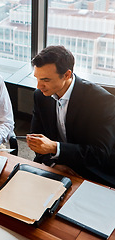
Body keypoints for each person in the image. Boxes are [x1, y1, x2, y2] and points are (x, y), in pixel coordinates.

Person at [27, 45, 115, 187]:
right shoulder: (40, 96)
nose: (39, 86)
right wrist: (54, 163)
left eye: (46, 80)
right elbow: (36, 138)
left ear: (67, 75)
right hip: (56, 163)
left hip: (91, 169)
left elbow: (100, 153)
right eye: (37, 78)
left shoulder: (101, 101)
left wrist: (55, 147)